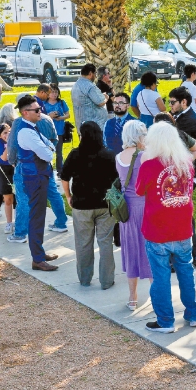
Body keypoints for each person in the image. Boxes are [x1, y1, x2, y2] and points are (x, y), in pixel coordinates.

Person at [136, 122, 196, 333]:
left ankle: (165, 321)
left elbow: (139, 191)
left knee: (161, 277)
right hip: (182, 228)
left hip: (157, 230)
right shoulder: (187, 163)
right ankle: (193, 314)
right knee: (186, 272)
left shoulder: (149, 165)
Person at [60, 121, 119, 288]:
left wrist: (68, 196)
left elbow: (64, 178)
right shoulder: (109, 155)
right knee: (106, 242)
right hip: (105, 205)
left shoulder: (75, 154)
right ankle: (107, 281)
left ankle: (85, 279)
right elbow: (117, 180)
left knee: (83, 243)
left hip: (81, 205)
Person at [14, 95, 59, 271]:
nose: (40, 112)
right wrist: (48, 149)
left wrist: (48, 148)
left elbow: (51, 147)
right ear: (26, 113)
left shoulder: (32, 128)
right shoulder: (26, 132)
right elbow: (48, 155)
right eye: (36, 110)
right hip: (35, 178)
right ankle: (37, 259)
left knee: (39, 216)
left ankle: (39, 253)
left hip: (38, 176)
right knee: (37, 217)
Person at [116, 120, 153, 310]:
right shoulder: (144, 155)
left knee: (131, 251)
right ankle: (156, 295)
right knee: (151, 251)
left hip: (127, 210)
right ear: (139, 136)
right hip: (145, 207)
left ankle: (132, 297)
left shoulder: (118, 157)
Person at [167, 86, 196, 267]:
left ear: (184, 102)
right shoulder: (181, 118)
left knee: (183, 214)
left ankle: (191, 254)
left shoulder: (186, 121)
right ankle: (191, 253)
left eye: (173, 102)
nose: (170, 105)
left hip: (186, 175)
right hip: (183, 174)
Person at [72, 63, 108, 134]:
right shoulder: (90, 86)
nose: (95, 76)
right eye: (95, 74)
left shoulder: (76, 84)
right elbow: (100, 102)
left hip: (82, 125)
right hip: (94, 128)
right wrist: (106, 98)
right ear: (91, 73)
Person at [44, 83, 71, 175]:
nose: (54, 94)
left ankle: (60, 169)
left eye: (56, 92)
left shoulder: (61, 102)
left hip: (59, 130)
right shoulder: (44, 103)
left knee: (59, 152)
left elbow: (68, 114)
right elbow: (40, 116)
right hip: (47, 131)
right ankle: (48, 169)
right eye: (52, 92)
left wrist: (61, 118)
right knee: (47, 151)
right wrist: (49, 116)